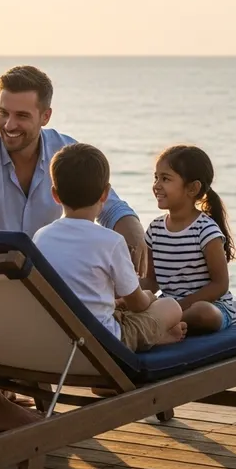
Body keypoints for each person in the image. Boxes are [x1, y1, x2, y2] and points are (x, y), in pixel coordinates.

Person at [0, 65, 149, 275]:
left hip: (52, 281)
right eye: (3, 113)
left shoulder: (66, 152)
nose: (9, 125)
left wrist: (134, 232)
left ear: (45, 116)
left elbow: (108, 206)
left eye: (21, 116)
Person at [34, 143, 186, 351]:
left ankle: (156, 334)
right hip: (104, 344)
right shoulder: (111, 241)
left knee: (117, 308)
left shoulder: (41, 237)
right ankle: (159, 336)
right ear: (105, 194)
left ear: (55, 194)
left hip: (58, 337)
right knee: (170, 306)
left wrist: (119, 303)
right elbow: (138, 304)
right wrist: (150, 297)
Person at [147, 145, 236, 333]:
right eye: (156, 177)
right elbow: (151, 281)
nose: (156, 185)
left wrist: (180, 306)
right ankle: (165, 325)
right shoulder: (155, 229)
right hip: (168, 306)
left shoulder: (206, 230)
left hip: (210, 306)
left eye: (165, 179)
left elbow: (220, 285)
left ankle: (161, 325)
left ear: (193, 188)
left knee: (204, 313)